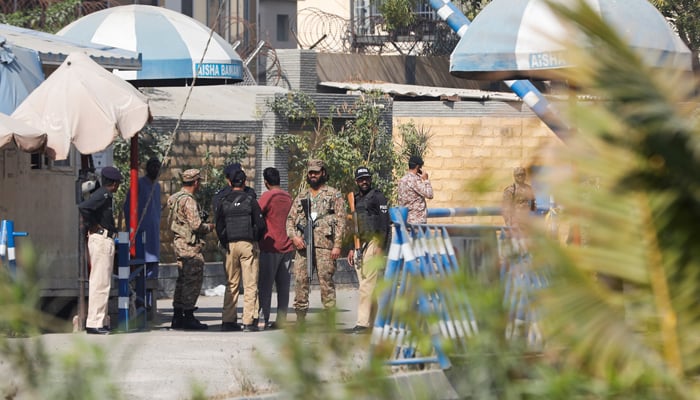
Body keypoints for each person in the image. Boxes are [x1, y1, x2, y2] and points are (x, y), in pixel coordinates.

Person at [286, 159, 347, 322]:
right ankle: (300, 317)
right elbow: (290, 220)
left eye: (316, 172)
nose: (313, 175)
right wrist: (294, 237)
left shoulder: (333, 195)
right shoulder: (301, 196)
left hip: (325, 247)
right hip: (303, 247)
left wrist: (337, 245)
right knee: (300, 281)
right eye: (310, 172)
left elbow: (341, 221)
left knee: (326, 282)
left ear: (323, 173)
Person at [215, 169, 266, 332]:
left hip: (230, 245)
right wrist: (254, 238)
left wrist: (225, 242)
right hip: (246, 244)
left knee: (232, 284)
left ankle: (228, 321)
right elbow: (261, 224)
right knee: (250, 284)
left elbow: (219, 225)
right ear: (244, 182)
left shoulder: (224, 201)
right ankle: (248, 321)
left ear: (229, 183)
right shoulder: (250, 200)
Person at [167, 169, 215, 330]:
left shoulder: (175, 198)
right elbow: (196, 225)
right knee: (192, 280)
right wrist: (209, 227)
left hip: (179, 242)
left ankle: (177, 315)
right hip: (189, 245)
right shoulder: (188, 201)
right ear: (195, 182)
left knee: (182, 279)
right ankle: (188, 315)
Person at [78, 166, 122, 335]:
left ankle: (100, 320)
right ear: (114, 183)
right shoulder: (103, 194)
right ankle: (94, 322)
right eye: (118, 183)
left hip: (105, 239)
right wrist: (93, 225)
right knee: (100, 282)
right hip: (101, 239)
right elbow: (84, 207)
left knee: (103, 282)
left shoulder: (106, 195)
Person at [346, 167, 390, 334]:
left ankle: (363, 323)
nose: (364, 182)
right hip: (360, 245)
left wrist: (381, 246)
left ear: (370, 179)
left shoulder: (378, 196)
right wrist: (352, 248)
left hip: (373, 242)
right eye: (361, 179)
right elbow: (354, 226)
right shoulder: (355, 199)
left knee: (366, 285)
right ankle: (375, 321)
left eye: (366, 179)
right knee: (367, 284)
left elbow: (385, 223)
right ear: (357, 181)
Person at [257, 167, 294, 330]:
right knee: (283, 287)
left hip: (270, 246)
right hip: (287, 247)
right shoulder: (288, 197)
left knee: (265, 285)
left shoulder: (267, 196)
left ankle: (262, 319)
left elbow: (256, 214)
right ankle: (281, 320)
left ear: (266, 182)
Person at [123, 157, 161, 313]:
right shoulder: (138, 184)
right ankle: (139, 304)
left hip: (154, 233)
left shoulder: (157, 187)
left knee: (152, 271)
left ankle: (150, 305)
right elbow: (128, 207)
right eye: (152, 166)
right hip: (140, 234)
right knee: (139, 269)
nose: (155, 170)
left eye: (157, 167)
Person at [397, 155, 433, 224]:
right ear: (417, 167)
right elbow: (430, 194)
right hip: (417, 222)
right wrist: (426, 180)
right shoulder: (415, 180)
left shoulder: (402, 180)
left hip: (406, 220)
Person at [502, 167, 536, 232]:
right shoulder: (510, 190)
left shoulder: (529, 189)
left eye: (522, 174)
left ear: (525, 175)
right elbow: (506, 209)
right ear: (514, 176)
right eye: (518, 175)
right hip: (515, 221)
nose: (520, 176)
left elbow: (533, 205)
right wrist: (509, 224)